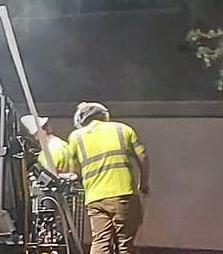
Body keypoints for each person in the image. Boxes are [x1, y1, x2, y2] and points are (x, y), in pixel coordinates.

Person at [35, 102, 148, 254]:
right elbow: (143, 157)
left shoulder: (76, 137)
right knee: (124, 243)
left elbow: (75, 169)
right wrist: (144, 183)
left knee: (100, 241)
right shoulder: (123, 129)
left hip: (95, 198)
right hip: (124, 194)